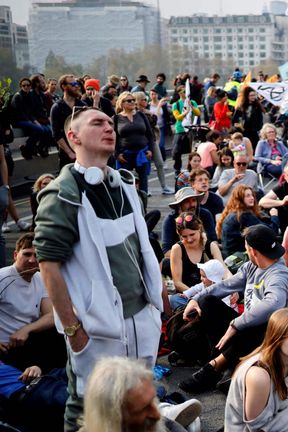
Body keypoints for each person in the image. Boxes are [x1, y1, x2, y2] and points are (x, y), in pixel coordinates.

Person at [34, 107, 163, 431]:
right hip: (97, 331)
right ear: (73, 137)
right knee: (87, 404)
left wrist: (156, 296)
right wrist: (74, 330)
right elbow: (48, 264)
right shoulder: (63, 193)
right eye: (97, 123)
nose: (109, 127)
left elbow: (141, 249)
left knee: (137, 402)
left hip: (140, 319)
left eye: (110, 122)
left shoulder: (123, 184)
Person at [180, 225, 288, 394]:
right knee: (207, 302)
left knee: (261, 322)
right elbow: (226, 286)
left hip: (275, 339)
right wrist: (194, 299)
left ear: (253, 250)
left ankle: (216, 367)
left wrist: (236, 324)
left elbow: (273, 305)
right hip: (249, 336)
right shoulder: (252, 266)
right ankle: (231, 366)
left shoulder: (278, 274)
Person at [81, 357, 202, 432]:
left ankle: (164, 406)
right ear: (115, 417)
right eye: (143, 409)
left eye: (152, 401)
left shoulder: (162, 424)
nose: (156, 415)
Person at [0, 233, 65, 372]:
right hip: (7, 348)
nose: (32, 260)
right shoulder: (3, 277)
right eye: (27, 254)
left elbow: (51, 315)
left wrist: (26, 329)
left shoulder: (39, 277)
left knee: (63, 331)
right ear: (15, 255)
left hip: (27, 340)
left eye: (37, 256)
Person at [170, 212, 226, 295]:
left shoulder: (211, 246)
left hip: (211, 294)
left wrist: (232, 286)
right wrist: (197, 295)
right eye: (184, 236)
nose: (189, 239)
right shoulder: (177, 249)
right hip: (187, 295)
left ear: (199, 229)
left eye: (192, 234)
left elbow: (224, 271)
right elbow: (177, 282)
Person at [217, 185, 280, 257]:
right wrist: (274, 216)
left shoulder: (234, 213)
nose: (252, 198)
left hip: (230, 255)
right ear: (239, 199)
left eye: (252, 195)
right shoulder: (243, 215)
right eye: (247, 196)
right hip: (238, 257)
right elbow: (271, 233)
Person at [113, 92, 154, 194]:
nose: (132, 102)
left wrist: (150, 150)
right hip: (125, 155)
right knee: (125, 182)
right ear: (122, 103)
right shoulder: (116, 118)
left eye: (133, 100)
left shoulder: (141, 115)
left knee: (143, 182)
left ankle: (143, 206)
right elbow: (113, 138)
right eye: (129, 100)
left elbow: (149, 134)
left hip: (142, 153)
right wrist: (117, 154)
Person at [162, 187, 218, 255]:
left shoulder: (205, 214)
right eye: (187, 202)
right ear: (179, 205)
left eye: (193, 200)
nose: (192, 205)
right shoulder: (170, 220)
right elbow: (166, 250)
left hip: (204, 254)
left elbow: (213, 240)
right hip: (181, 256)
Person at [49, 74, 86, 169]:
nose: (77, 86)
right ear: (64, 86)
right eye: (73, 84)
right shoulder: (57, 107)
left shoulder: (82, 105)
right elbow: (56, 134)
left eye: (77, 83)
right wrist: (69, 152)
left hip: (84, 150)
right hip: (67, 154)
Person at [171, 85, 202, 175]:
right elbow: (177, 117)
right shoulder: (175, 104)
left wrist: (191, 107)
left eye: (186, 91)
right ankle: (177, 170)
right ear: (179, 93)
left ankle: (192, 169)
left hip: (190, 129)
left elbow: (198, 113)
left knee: (192, 151)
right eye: (183, 91)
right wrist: (185, 112)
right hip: (180, 130)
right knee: (176, 151)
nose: (185, 93)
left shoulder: (192, 102)